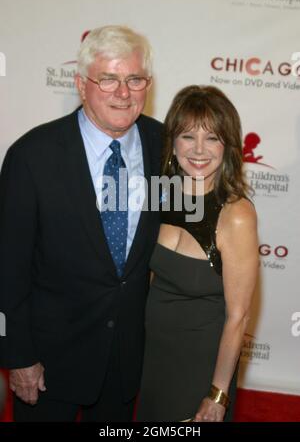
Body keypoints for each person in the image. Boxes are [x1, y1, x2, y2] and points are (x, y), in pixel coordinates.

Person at [0, 25, 162, 422]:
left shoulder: (166, 146)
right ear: (80, 84)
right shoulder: (31, 156)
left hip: (125, 364)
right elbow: (8, 267)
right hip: (46, 368)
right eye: (108, 78)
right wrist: (18, 356)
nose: (123, 93)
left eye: (134, 79)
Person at [136, 85, 259, 422]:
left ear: (228, 146)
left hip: (199, 366)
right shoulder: (161, 196)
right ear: (173, 143)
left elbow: (239, 317)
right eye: (188, 136)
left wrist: (217, 395)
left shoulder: (235, 214)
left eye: (213, 138)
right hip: (153, 360)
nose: (199, 150)